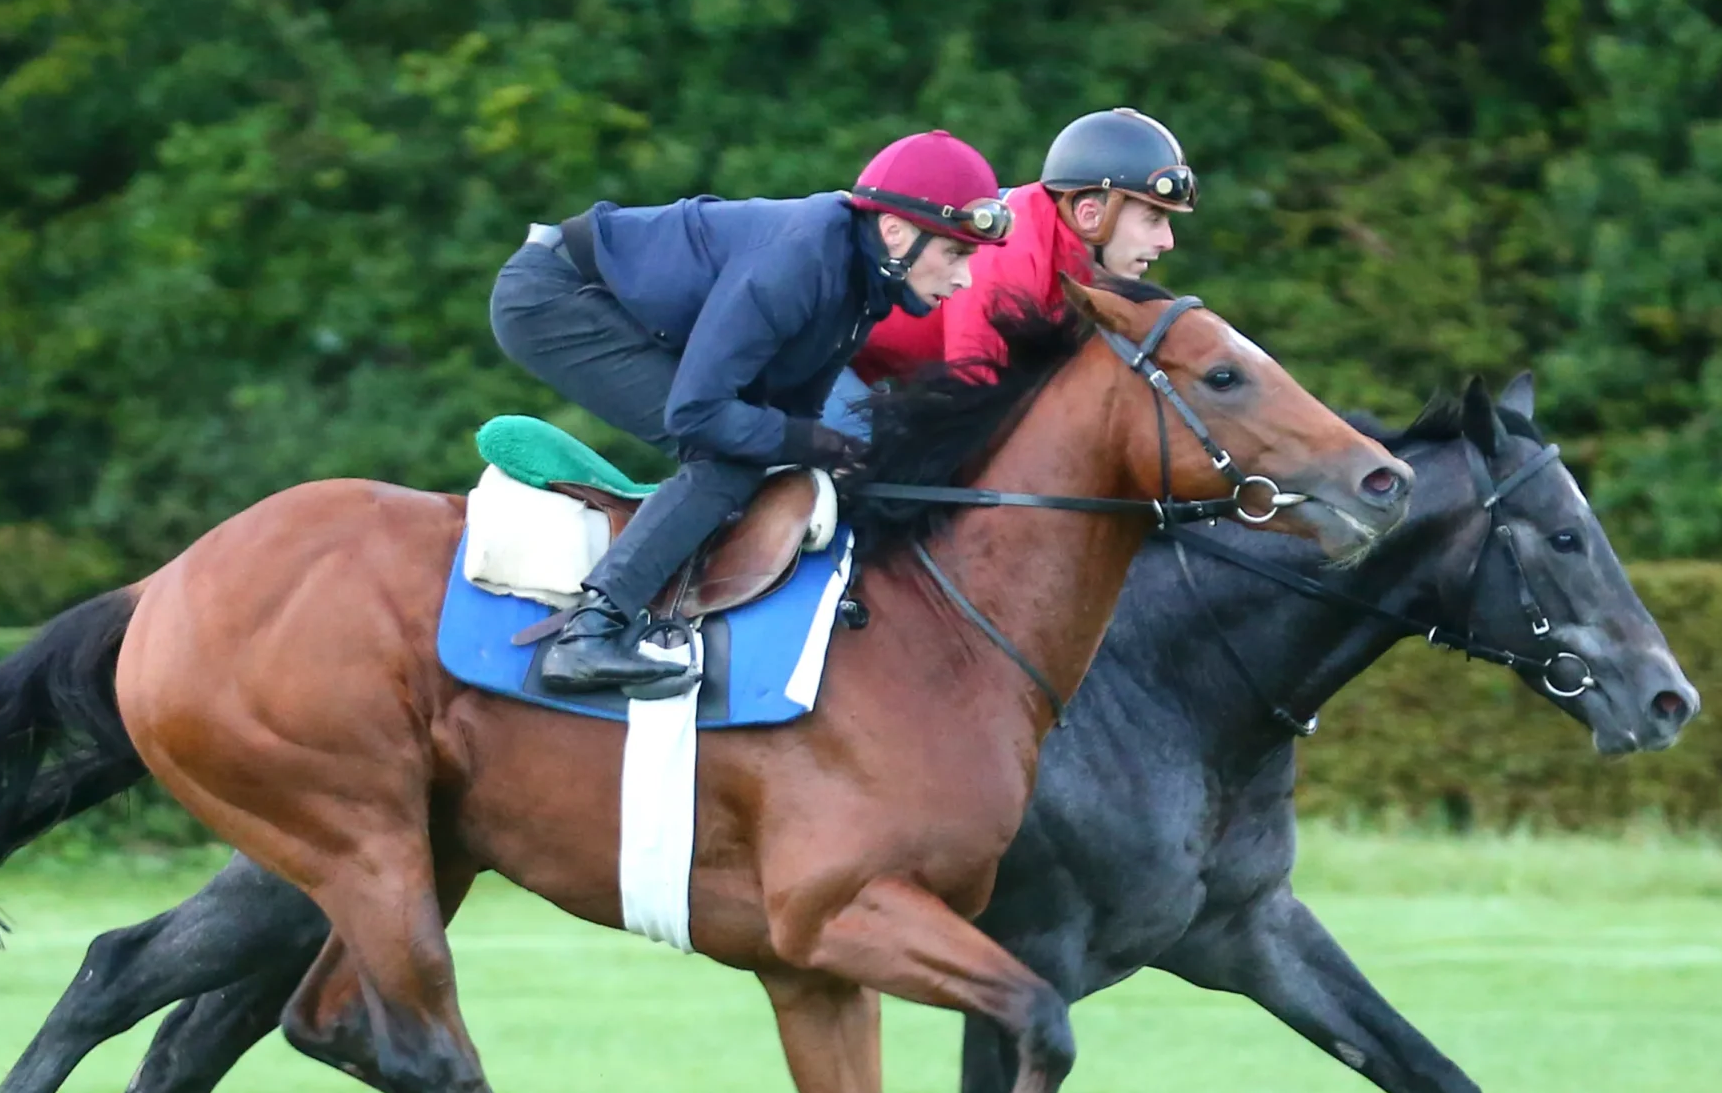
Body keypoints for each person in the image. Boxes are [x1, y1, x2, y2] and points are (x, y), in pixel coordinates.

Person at [489, 130, 1011, 695]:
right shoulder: (801, 262)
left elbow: (794, 415)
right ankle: (590, 632)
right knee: (727, 459)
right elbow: (698, 413)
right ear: (895, 231)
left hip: (613, 299)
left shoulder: (864, 282)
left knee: (763, 449)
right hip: (553, 298)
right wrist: (822, 444)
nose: (965, 278)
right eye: (955, 253)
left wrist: (842, 457)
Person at [825, 108, 1195, 437]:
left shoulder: (1078, 266)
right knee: (865, 458)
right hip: (828, 354)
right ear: (1090, 215)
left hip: (877, 371)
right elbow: (972, 395)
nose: (1167, 241)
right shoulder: (1012, 254)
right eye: (1153, 219)